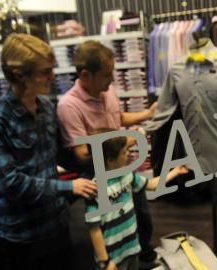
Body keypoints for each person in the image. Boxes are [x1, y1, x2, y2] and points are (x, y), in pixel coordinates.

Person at [0, 33, 97, 270]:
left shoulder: (46, 108)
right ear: (20, 74)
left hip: (57, 224)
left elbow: (59, 155)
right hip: (23, 237)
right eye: (45, 72)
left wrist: (100, 158)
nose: (53, 77)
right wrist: (69, 187)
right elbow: (9, 184)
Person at [57, 40, 159, 267]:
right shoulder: (69, 106)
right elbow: (83, 153)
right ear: (85, 75)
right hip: (103, 178)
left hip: (123, 167)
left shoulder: (107, 90)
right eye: (106, 74)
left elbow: (118, 117)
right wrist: (127, 140)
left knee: (141, 216)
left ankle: (140, 256)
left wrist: (147, 114)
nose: (112, 79)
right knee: (111, 227)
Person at [85, 130, 188, 270]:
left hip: (132, 248)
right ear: (110, 159)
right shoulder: (94, 189)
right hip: (112, 258)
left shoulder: (127, 175)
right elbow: (94, 230)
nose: (129, 153)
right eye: (124, 151)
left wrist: (175, 171)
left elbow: (151, 185)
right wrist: (105, 261)